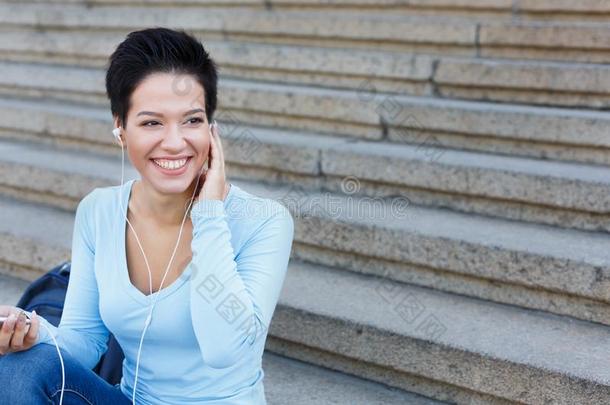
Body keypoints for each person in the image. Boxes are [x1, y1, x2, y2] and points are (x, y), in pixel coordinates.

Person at [0, 27, 295, 404]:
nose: (174, 142)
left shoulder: (263, 220)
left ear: (212, 129)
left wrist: (209, 213)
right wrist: (31, 330)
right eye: (152, 122)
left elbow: (225, 351)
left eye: (191, 120)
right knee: (21, 367)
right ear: (121, 129)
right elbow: (85, 342)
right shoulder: (99, 211)